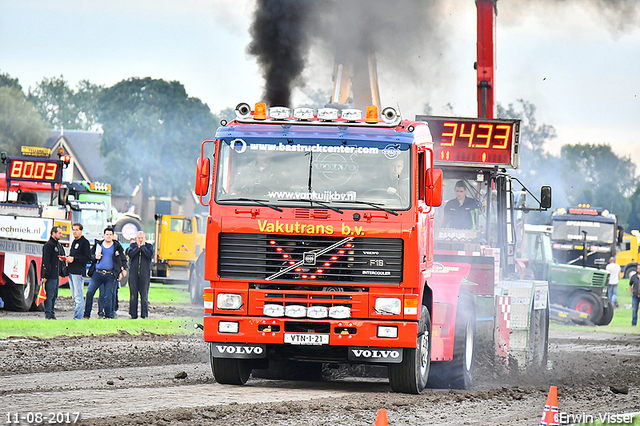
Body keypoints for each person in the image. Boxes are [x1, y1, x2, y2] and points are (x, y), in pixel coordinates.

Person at [84, 227, 128, 319]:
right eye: (107, 234)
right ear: (104, 235)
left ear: (112, 236)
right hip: (97, 273)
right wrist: (95, 257)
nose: (108, 236)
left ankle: (108, 316)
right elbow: (89, 257)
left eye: (110, 234)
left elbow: (122, 258)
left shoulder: (117, 246)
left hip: (110, 274)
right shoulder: (98, 245)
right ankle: (86, 315)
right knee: (89, 292)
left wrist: (124, 269)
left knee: (108, 296)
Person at [66, 223, 92, 320]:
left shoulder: (84, 242)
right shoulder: (74, 242)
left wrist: (75, 258)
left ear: (81, 231)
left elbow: (87, 257)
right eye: (73, 230)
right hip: (72, 271)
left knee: (78, 296)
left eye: (77, 230)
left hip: (78, 271)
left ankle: (78, 317)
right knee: (74, 295)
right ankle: (78, 315)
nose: (75, 232)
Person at [126, 231, 153, 319]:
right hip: (133, 273)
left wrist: (143, 247)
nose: (140, 240)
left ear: (145, 238)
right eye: (139, 238)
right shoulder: (132, 246)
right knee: (133, 295)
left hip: (144, 274)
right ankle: (133, 314)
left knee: (144, 295)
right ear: (136, 238)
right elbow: (130, 254)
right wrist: (138, 247)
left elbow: (149, 255)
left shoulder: (149, 246)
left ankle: (144, 314)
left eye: (142, 238)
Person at [41, 226, 66, 320]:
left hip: (56, 275)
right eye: (59, 233)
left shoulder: (58, 245)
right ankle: (48, 314)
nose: (61, 235)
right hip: (50, 275)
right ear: (53, 233)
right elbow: (46, 261)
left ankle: (52, 312)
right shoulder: (49, 245)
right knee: (49, 295)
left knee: (54, 295)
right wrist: (45, 275)